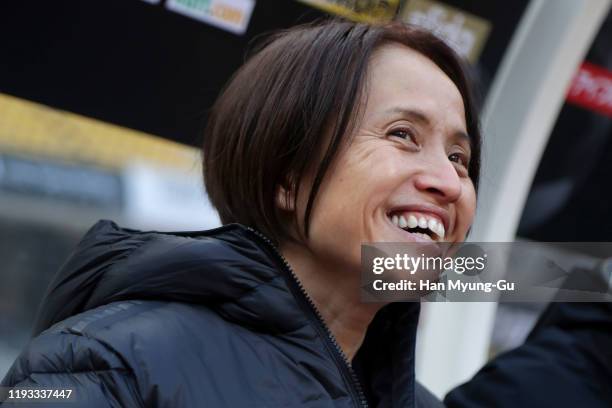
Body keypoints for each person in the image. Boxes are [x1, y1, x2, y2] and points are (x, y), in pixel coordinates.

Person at [2, 19, 611, 408]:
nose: (448, 181)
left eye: (460, 157)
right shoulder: (109, 363)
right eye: (402, 135)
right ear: (287, 176)